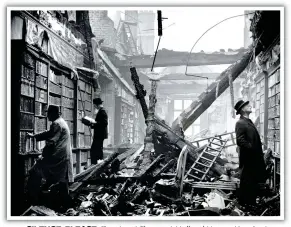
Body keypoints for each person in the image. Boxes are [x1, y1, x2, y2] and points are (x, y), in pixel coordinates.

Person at [26, 105, 74, 209]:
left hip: (58, 158)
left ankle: (33, 201)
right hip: (64, 157)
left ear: (53, 114)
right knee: (62, 181)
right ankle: (66, 206)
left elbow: (51, 142)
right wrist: (34, 136)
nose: (47, 116)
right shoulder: (61, 122)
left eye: (48, 114)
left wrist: (42, 155)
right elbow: (49, 133)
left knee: (35, 171)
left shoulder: (56, 123)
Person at [234, 100, 267, 206]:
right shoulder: (240, 123)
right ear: (242, 109)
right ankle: (245, 203)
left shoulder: (248, 121)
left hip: (253, 157)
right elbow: (240, 140)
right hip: (248, 157)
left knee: (252, 180)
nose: (250, 106)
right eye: (247, 106)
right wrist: (251, 147)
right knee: (247, 180)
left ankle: (250, 203)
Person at [90, 98, 108, 164]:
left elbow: (104, 123)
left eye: (94, 105)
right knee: (97, 150)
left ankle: (96, 164)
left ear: (97, 105)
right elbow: (101, 122)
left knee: (95, 150)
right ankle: (97, 164)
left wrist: (94, 123)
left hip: (99, 135)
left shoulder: (102, 111)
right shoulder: (101, 111)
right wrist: (92, 124)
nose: (94, 106)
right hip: (99, 135)